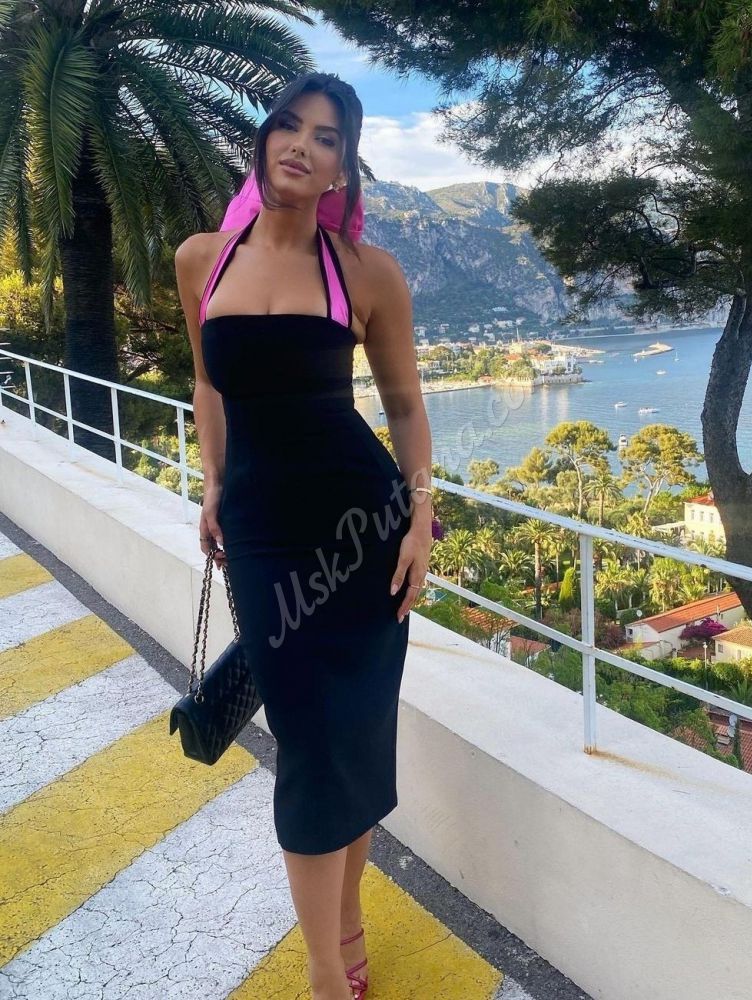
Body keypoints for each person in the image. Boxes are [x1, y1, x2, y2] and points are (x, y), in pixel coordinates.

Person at [174, 71, 433, 1000]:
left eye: (327, 137)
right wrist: (213, 484)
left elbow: (404, 407)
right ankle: (330, 972)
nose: (302, 145)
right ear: (265, 138)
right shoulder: (202, 259)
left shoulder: (365, 271)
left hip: (365, 534)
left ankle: (343, 934)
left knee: (349, 742)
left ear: (342, 169)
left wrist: (421, 516)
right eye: (290, 125)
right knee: (307, 746)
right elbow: (209, 384)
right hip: (264, 534)